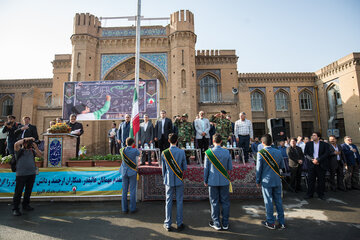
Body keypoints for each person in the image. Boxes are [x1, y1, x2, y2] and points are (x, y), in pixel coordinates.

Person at [256, 134, 285, 230]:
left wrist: (257, 180)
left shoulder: (261, 153)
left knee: (268, 201)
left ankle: (270, 222)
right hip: (277, 180)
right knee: (279, 201)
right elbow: (282, 166)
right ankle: (281, 222)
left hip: (266, 181)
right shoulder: (278, 152)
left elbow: (258, 169)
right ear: (271, 142)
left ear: (262, 142)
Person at [204, 133, 233, 231]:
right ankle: (225, 223)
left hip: (212, 181)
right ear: (221, 141)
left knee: (214, 202)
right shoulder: (226, 152)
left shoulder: (208, 152)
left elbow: (206, 169)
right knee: (225, 202)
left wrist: (205, 180)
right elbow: (229, 168)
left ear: (213, 141)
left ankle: (216, 223)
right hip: (224, 180)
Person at [161, 133, 187, 232]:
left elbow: (163, 169)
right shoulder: (182, 152)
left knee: (168, 202)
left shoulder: (164, 153)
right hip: (179, 179)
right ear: (177, 141)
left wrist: (165, 179)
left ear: (169, 141)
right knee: (179, 201)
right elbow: (184, 168)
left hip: (168, 180)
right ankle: (179, 223)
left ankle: (168, 223)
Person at [12, 137, 42, 216]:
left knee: (28, 191)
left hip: (31, 174)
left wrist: (35, 147)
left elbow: (40, 155)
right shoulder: (19, 150)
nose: (28, 144)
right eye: (27, 143)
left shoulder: (32, 151)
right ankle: (15, 209)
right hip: (21, 174)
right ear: (23, 143)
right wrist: (27, 139)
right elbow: (16, 144)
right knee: (18, 192)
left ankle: (25, 205)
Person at [304, 132, 330, 200]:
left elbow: (326, 153)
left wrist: (318, 160)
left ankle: (321, 194)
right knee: (311, 180)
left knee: (321, 180)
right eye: (312, 135)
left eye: (314, 135)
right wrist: (312, 160)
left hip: (321, 164)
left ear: (318, 137)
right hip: (311, 164)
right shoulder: (308, 144)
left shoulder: (324, 144)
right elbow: (306, 154)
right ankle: (310, 194)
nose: (312, 136)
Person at [119, 137, 140, 213]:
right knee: (132, 190)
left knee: (124, 191)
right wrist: (136, 147)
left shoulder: (122, 150)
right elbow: (139, 153)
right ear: (133, 143)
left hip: (124, 172)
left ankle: (124, 209)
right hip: (132, 172)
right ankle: (132, 208)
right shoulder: (134, 150)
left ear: (126, 143)